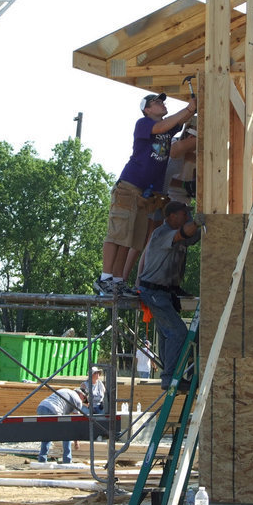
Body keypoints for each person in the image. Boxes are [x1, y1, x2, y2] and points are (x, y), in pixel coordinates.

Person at [95, 92, 197, 298]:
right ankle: (104, 278)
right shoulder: (143, 124)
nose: (162, 104)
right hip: (129, 187)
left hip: (145, 193)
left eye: (162, 101)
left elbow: (179, 122)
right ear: (147, 109)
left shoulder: (168, 131)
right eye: (156, 102)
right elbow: (164, 125)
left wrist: (194, 108)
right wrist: (188, 108)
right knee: (117, 232)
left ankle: (117, 281)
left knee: (131, 237)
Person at [137, 201, 204, 391]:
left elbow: (191, 236)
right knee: (178, 332)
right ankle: (169, 377)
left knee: (167, 334)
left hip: (165, 292)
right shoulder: (162, 233)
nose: (187, 217)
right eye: (184, 214)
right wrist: (198, 222)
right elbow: (184, 233)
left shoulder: (179, 235)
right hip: (153, 291)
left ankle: (171, 375)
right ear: (172, 216)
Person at [37, 387, 88, 464]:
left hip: (41, 407)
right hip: (54, 410)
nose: (83, 401)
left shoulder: (65, 390)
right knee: (66, 434)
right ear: (81, 394)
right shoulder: (77, 400)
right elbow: (75, 422)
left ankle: (42, 459)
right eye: (84, 399)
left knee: (47, 434)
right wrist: (76, 442)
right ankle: (67, 460)